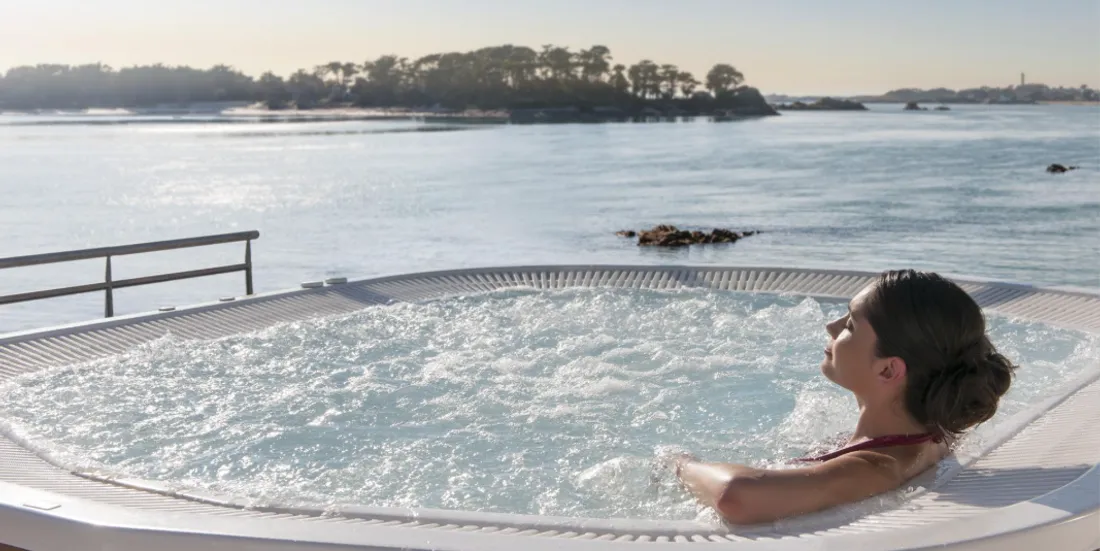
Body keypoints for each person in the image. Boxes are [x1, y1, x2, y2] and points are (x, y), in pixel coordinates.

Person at [674, 269, 1016, 524]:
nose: (832, 327)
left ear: (888, 371)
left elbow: (736, 496)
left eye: (851, 325)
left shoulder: (877, 466)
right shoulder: (934, 429)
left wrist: (681, 465)